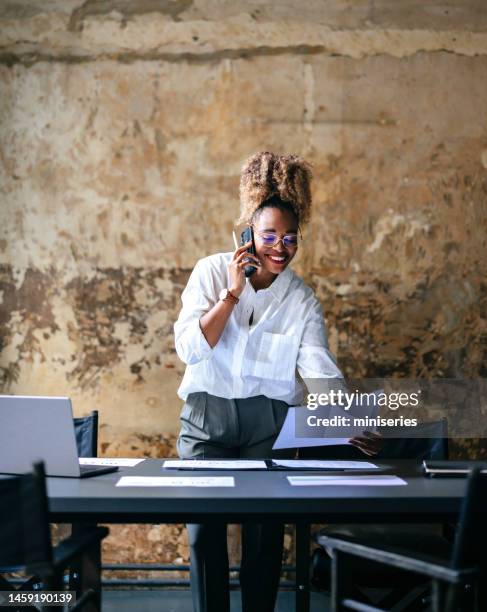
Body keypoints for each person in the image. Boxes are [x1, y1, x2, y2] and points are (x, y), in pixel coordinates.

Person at [174, 151, 381, 612]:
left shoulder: (301, 298)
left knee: (266, 542)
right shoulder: (210, 272)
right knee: (204, 538)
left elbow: (319, 367)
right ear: (248, 232)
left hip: (268, 425)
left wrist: (344, 419)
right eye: (269, 235)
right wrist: (232, 291)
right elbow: (190, 348)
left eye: (290, 238)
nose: (280, 247)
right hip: (206, 420)